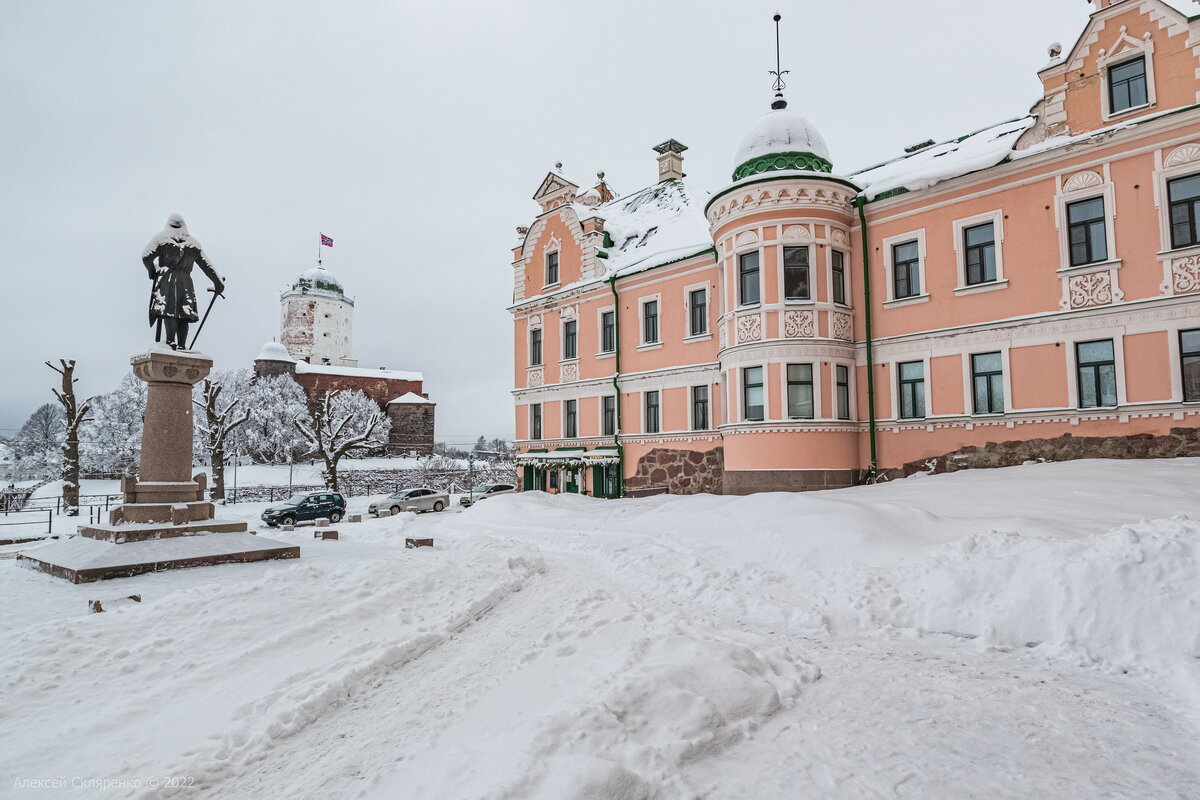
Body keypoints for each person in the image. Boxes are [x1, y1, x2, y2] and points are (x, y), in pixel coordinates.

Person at [141, 214, 224, 350]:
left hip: (167, 280)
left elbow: (146, 256)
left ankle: (170, 341)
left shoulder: (161, 239)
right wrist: (218, 282)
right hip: (185, 282)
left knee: (170, 311)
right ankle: (181, 344)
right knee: (183, 314)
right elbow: (206, 265)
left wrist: (152, 271)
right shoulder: (193, 244)